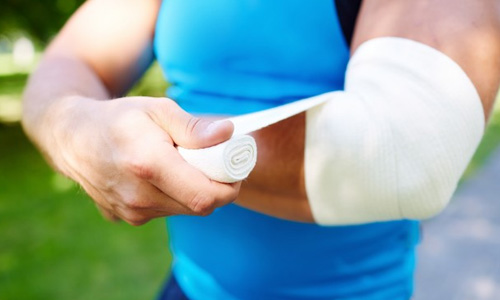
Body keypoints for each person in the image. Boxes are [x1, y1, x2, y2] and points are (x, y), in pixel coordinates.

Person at [22, 0, 500, 299]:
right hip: (190, 287)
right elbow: (71, 61)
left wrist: (147, 152)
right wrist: (72, 129)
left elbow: (407, 151)